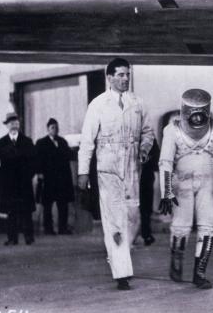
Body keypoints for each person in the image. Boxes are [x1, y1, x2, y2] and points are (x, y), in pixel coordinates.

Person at [77, 58, 154, 291]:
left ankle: (118, 255)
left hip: (132, 168)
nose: (125, 79)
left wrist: (144, 148)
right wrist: (82, 172)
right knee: (114, 222)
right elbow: (87, 141)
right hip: (108, 170)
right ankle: (121, 273)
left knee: (132, 218)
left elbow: (148, 132)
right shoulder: (98, 104)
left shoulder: (138, 103)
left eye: (127, 74)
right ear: (109, 78)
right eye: (120, 75)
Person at [159, 88, 213, 289]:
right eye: (194, 114)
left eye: (202, 114)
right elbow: (165, 162)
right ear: (185, 111)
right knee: (181, 225)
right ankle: (176, 262)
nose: (198, 119)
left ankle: (199, 272)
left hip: (207, 183)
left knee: (209, 226)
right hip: (181, 182)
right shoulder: (172, 130)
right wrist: (166, 191)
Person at [0, 112, 37, 245]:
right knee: (11, 212)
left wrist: (29, 175)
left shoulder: (27, 141)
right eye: (11, 123)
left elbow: (34, 161)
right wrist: (1, 176)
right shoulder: (0, 143)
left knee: (26, 211)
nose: (14, 125)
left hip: (24, 183)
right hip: (8, 184)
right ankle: (12, 238)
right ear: (7, 126)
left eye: (16, 123)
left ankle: (29, 237)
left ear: (19, 124)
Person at [35, 118, 75, 235]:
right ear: (48, 129)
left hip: (62, 179)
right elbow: (37, 160)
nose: (55, 130)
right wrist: (39, 173)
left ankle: (62, 228)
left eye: (56, 127)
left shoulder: (62, 142)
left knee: (63, 204)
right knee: (47, 204)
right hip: (48, 179)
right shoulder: (41, 143)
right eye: (52, 127)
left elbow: (68, 155)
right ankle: (48, 229)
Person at [139, 140, 160, 246]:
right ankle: (145, 234)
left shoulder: (149, 136)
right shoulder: (149, 136)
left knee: (145, 207)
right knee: (144, 207)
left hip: (145, 175)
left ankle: (145, 233)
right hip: (144, 175)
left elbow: (156, 156)